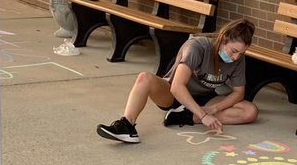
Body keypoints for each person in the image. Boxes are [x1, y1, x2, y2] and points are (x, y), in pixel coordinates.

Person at [97, 17, 257, 144]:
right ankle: (127, 126)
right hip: (174, 95)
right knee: (145, 78)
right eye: (234, 51)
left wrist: (214, 110)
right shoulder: (198, 47)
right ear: (223, 40)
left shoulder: (237, 60)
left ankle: (182, 117)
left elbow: (238, 93)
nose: (236, 57)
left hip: (205, 97)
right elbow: (177, 87)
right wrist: (203, 116)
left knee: (250, 111)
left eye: (241, 53)